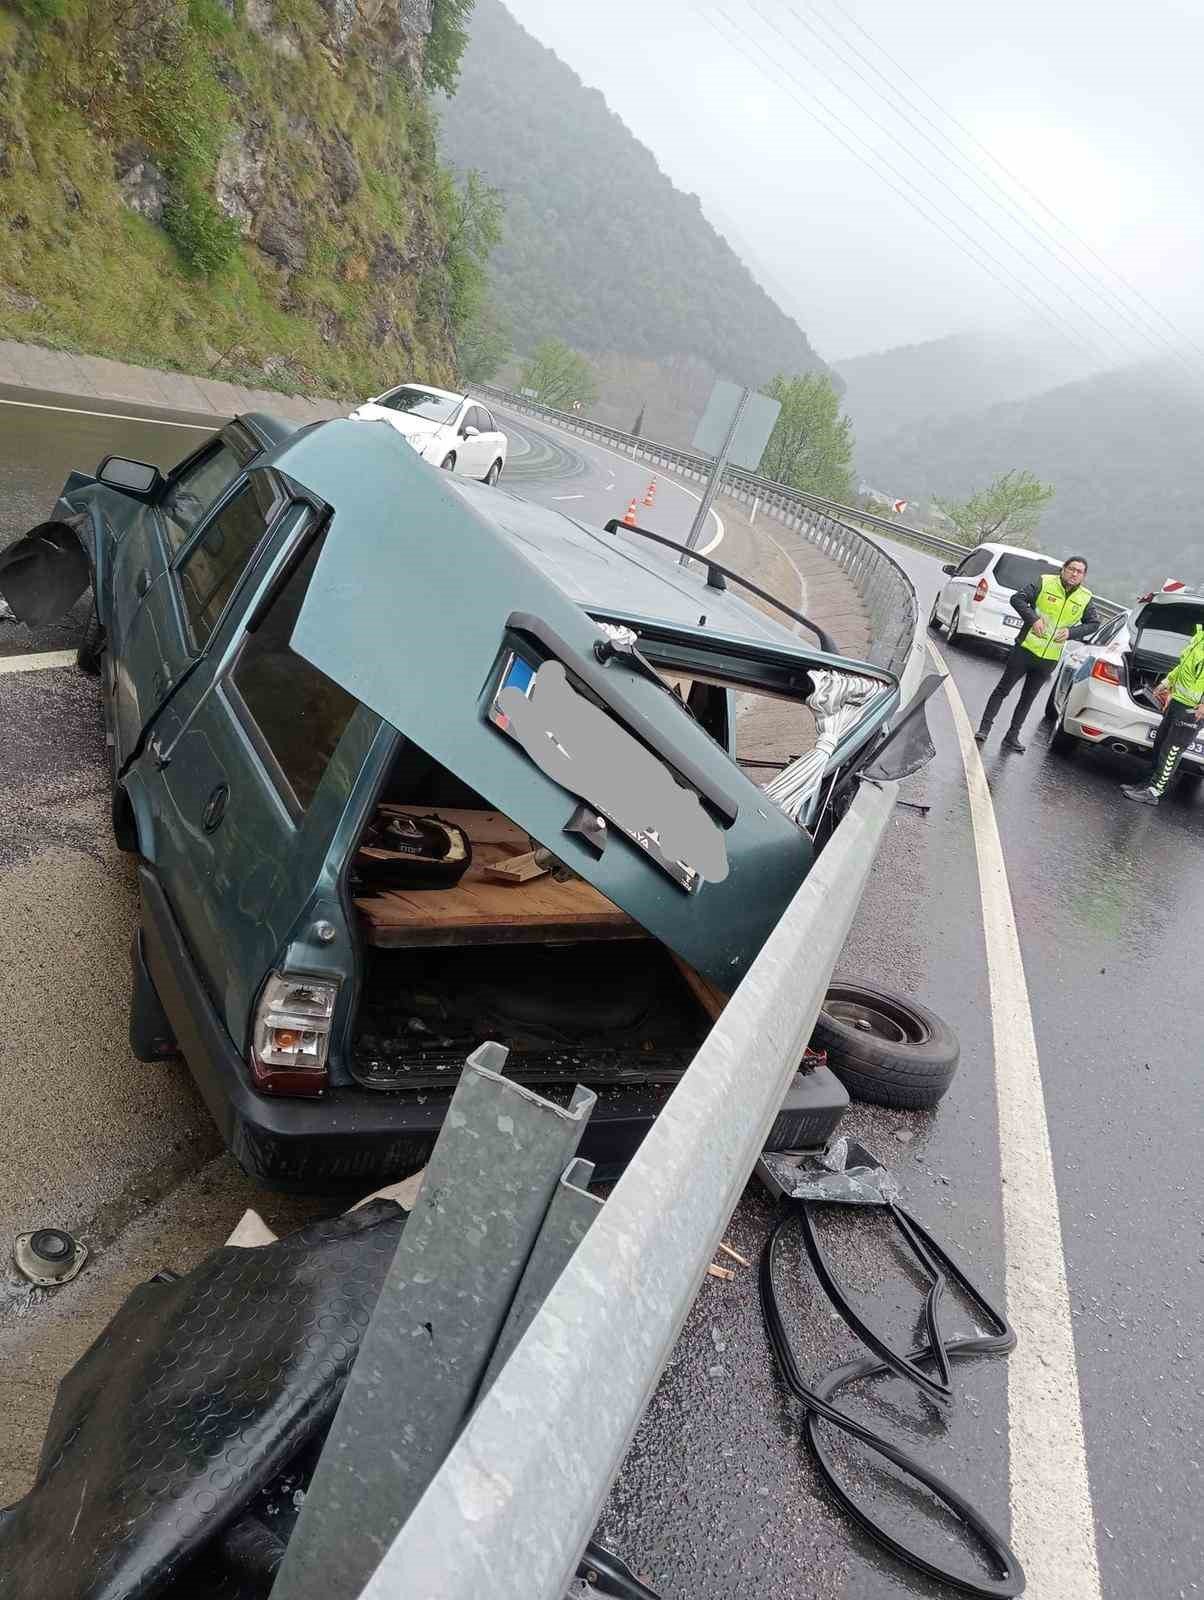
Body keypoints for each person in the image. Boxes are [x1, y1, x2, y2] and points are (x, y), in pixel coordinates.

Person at [975, 556, 1100, 752]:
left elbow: (1094, 623)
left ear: (1083, 576)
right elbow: (1017, 599)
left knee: (1028, 698)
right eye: (1071, 569)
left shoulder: (1085, 597)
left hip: (1050, 657)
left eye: (1079, 571)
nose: (1074, 574)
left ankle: (1012, 736)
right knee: (1003, 690)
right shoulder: (1045, 582)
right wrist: (1033, 619)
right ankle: (984, 729)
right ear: (1063, 569)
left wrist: (1071, 633)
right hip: (1025, 648)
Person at [1120, 621, 1204, 804]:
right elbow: (1183, 667)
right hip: (1178, 701)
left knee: (1171, 750)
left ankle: (1154, 792)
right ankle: (1148, 783)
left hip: (1193, 709)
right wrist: (1167, 683)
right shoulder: (1200, 637)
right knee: (1160, 744)